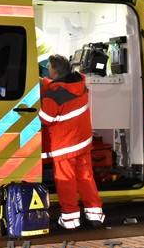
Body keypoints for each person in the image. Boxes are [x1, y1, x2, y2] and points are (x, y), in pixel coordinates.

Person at [39, 54, 105, 230]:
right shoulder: (79, 82)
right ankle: (95, 215)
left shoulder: (54, 94)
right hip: (82, 141)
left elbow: (45, 119)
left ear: (54, 70)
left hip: (65, 145)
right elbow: (61, 86)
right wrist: (46, 82)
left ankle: (70, 220)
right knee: (85, 177)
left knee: (65, 180)